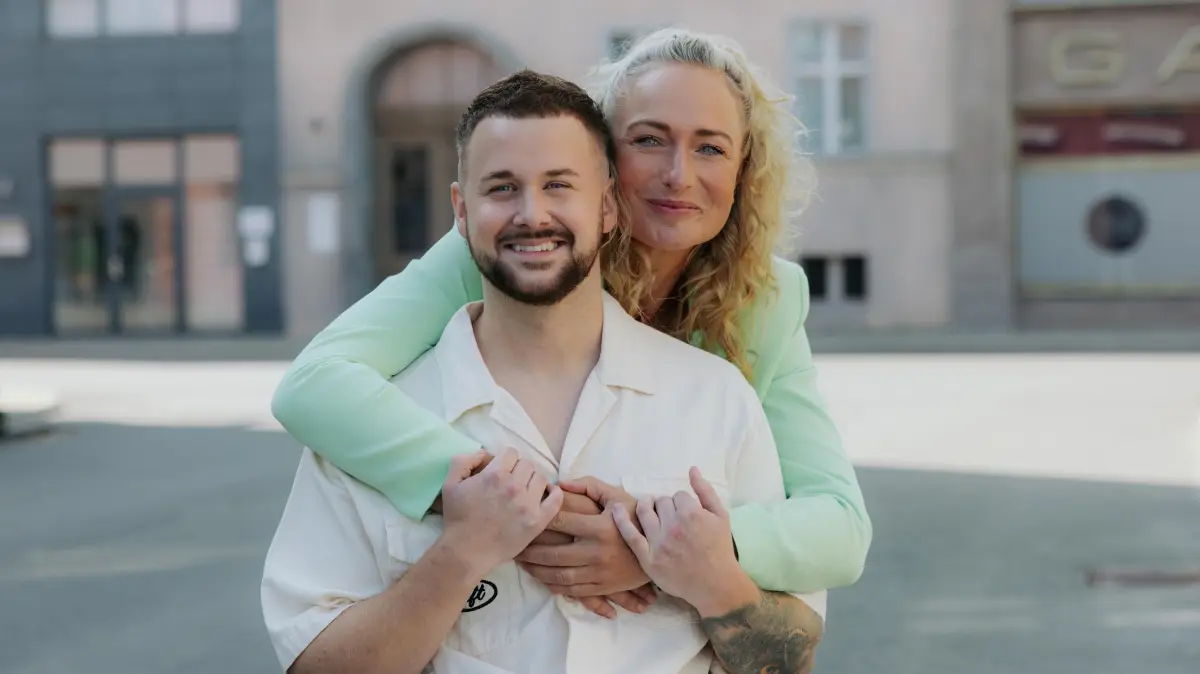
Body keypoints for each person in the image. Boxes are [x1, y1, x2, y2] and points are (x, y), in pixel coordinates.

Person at [270, 27, 871, 616]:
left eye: (710, 147)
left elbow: (840, 526)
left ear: (744, 173)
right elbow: (317, 383)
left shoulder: (766, 296)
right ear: (604, 164)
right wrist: (506, 501)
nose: (679, 174)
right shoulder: (517, 252)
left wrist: (655, 547)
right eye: (649, 140)